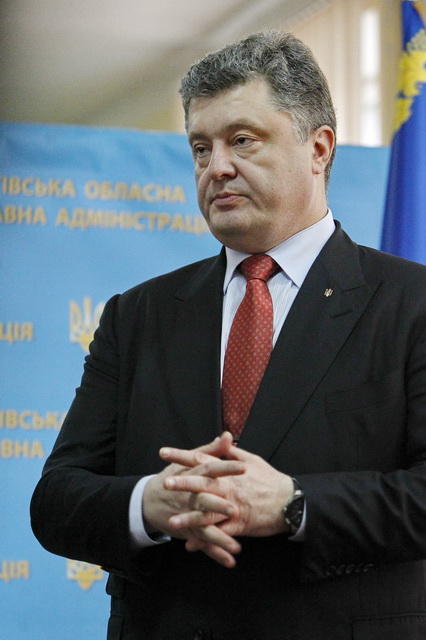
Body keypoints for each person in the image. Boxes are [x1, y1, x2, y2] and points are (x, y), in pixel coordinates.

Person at [31, 31, 426, 640]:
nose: (216, 167)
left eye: (242, 139)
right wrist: (149, 505)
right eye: (200, 147)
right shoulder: (136, 315)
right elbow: (56, 500)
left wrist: (295, 505)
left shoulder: (411, 303)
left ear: (319, 148)